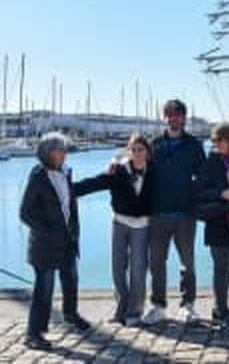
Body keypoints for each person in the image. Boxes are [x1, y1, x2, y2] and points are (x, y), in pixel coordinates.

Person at [19, 132, 93, 351]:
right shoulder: (38, 176)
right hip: (45, 246)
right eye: (59, 149)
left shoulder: (64, 173)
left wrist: (106, 178)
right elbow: (25, 213)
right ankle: (33, 334)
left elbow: (70, 198)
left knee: (71, 280)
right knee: (44, 290)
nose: (64, 153)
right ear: (47, 152)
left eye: (64, 149)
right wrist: (49, 230)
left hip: (68, 241)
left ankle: (70, 315)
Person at [74, 134, 154, 326]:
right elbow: (96, 183)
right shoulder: (118, 170)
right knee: (118, 268)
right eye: (133, 150)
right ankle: (121, 308)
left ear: (147, 152)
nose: (137, 153)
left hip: (142, 225)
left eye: (140, 149)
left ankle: (134, 312)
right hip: (119, 223)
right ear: (129, 151)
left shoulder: (155, 171)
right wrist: (67, 190)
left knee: (138, 270)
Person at [142, 99, 206, 325]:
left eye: (177, 115)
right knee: (156, 262)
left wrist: (195, 199)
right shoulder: (155, 144)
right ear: (164, 117)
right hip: (158, 213)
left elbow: (203, 177)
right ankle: (158, 306)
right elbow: (138, 167)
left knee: (187, 262)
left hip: (185, 214)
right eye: (168, 114)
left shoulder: (194, 145)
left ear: (184, 118)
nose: (173, 118)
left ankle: (187, 305)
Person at [194, 123, 229, 333]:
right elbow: (198, 191)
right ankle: (223, 312)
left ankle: (219, 308)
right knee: (221, 266)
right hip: (218, 220)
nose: (215, 144)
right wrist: (221, 193)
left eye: (219, 140)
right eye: (213, 140)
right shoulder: (211, 163)